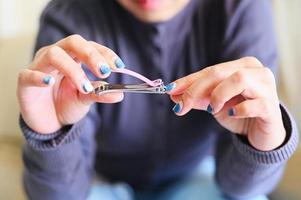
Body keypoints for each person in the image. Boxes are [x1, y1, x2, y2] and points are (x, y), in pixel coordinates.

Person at [17, 0, 299, 199]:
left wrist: (260, 146)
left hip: (199, 178)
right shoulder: (68, 16)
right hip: (98, 182)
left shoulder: (240, 7)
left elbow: (240, 191)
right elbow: (61, 195)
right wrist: (50, 135)